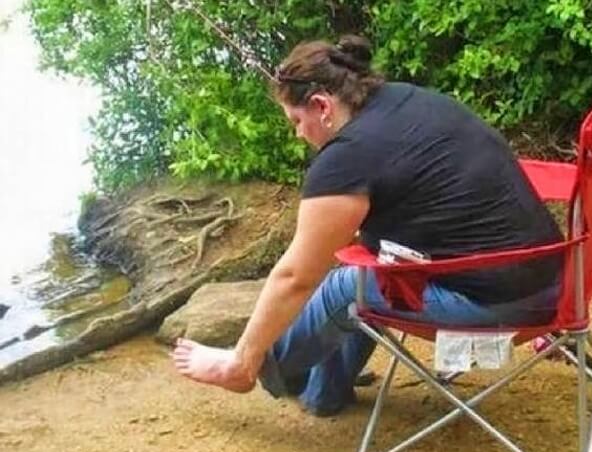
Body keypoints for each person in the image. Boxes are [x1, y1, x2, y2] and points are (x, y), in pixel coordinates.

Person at [173, 35, 563, 416]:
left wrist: (246, 352)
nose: (297, 134)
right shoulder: (404, 98)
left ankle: (245, 366)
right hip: (555, 280)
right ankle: (321, 392)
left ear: (322, 105)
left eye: (297, 121)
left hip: (503, 306)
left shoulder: (346, 158)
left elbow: (294, 277)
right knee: (366, 269)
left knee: (347, 286)